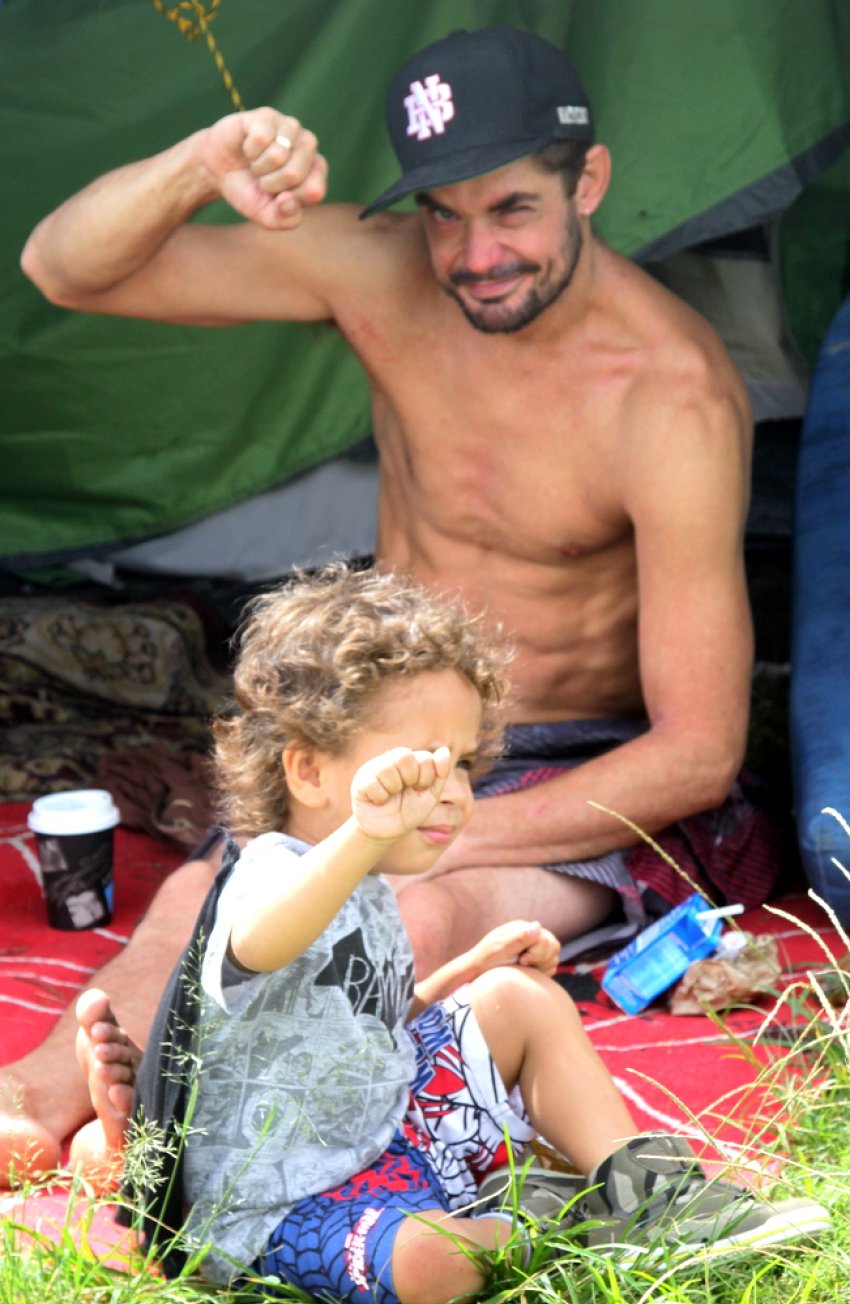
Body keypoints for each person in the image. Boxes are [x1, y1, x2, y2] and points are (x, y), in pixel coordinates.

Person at [5, 26, 782, 1182]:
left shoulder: (669, 398)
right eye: (445, 214)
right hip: (387, 736)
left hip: (565, 773)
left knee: (402, 920)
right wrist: (201, 161)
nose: (475, 254)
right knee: (195, 897)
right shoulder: (381, 271)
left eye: (512, 209)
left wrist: (424, 837)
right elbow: (63, 266)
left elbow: (697, 752)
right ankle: (35, 1098)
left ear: (591, 183)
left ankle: (190, 1157)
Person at [85, 565, 828, 1304]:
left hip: (387, 1136)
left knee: (516, 998)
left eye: (464, 763)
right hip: (281, 1207)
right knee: (438, 1262)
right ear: (308, 768)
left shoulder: (371, 888)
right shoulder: (272, 871)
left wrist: (471, 973)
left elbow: (366, 1032)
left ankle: (653, 1199)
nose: (451, 790)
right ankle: (558, 1225)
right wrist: (360, 835)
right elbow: (258, 942)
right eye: (419, 763)